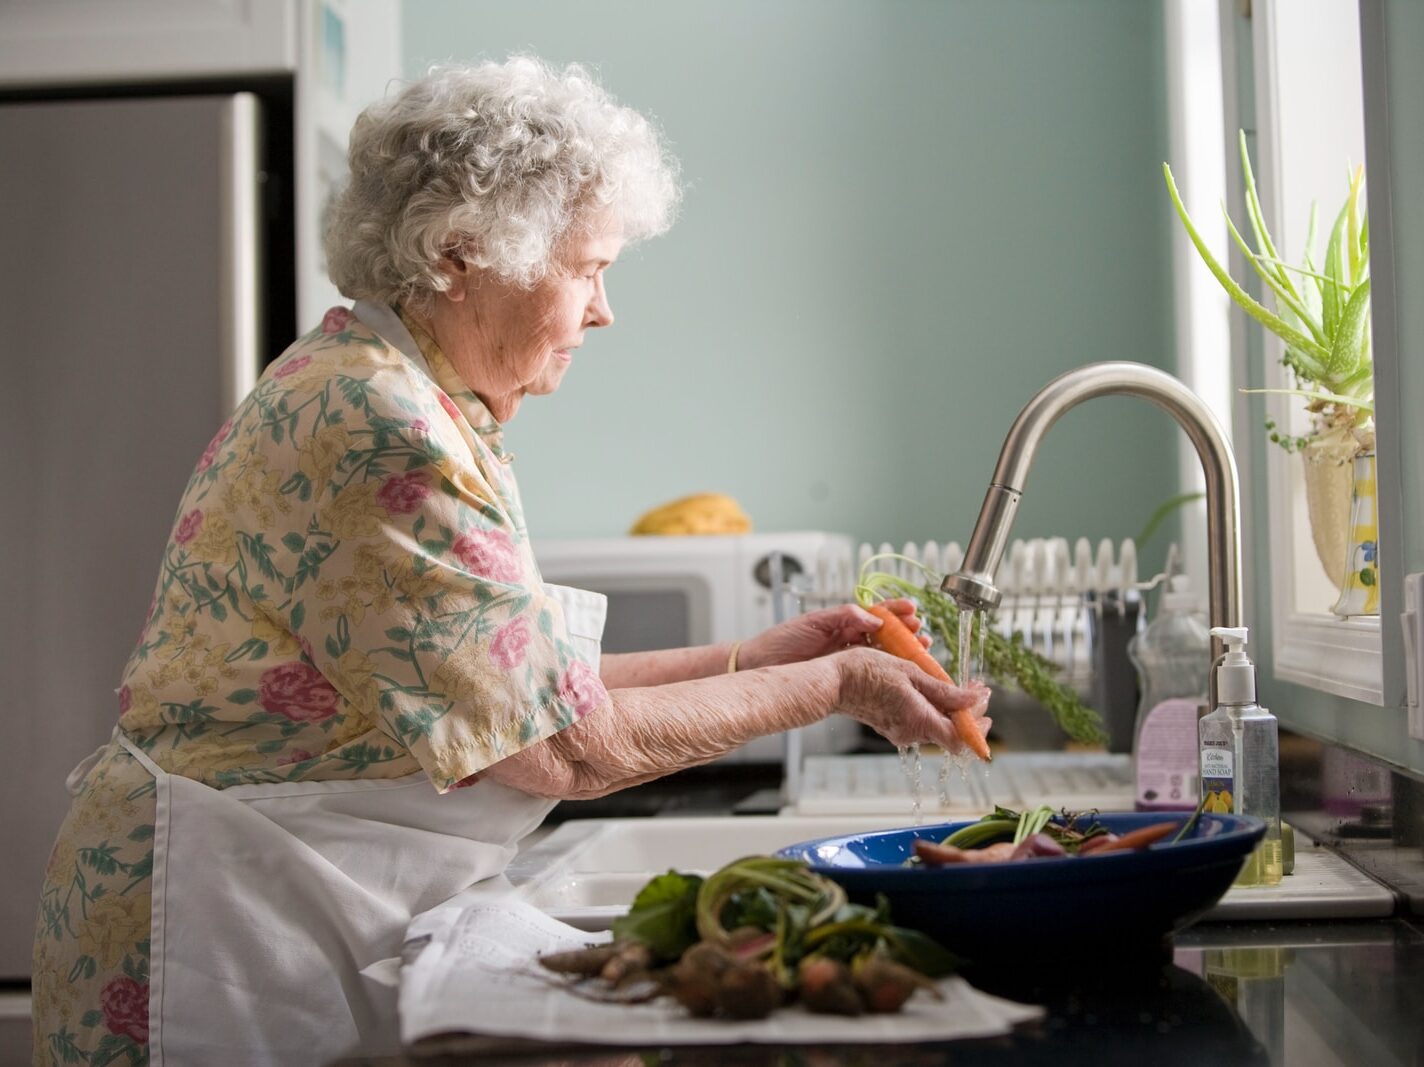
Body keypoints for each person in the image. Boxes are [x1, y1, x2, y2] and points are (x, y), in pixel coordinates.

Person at [31, 56, 990, 1065]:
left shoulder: (406, 397)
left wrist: (756, 658)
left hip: (280, 891)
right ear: (458, 254)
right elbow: (561, 747)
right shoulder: (374, 423)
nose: (604, 309)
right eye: (585, 269)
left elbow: (513, 691)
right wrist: (833, 681)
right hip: (217, 926)